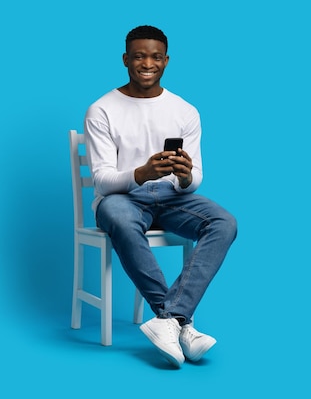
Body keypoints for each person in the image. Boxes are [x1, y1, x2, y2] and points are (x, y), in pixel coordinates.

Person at [83, 25, 237, 368]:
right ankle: (181, 323)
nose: (147, 63)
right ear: (126, 60)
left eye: (155, 57)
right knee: (121, 218)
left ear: (166, 61)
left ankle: (170, 319)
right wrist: (141, 173)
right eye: (139, 56)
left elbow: (195, 178)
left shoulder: (185, 111)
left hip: (170, 196)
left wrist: (183, 176)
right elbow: (103, 180)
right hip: (120, 198)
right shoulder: (102, 109)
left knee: (224, 222)